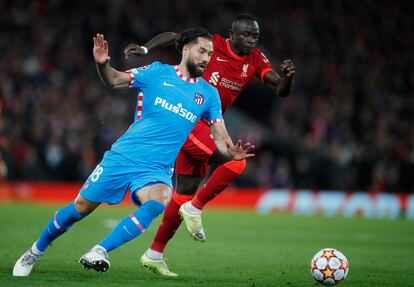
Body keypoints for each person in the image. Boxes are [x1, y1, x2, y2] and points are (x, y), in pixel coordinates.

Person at [12, 28, 254, 277]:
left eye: (210, 54)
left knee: (160, 199)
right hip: (123, 157)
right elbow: (114, 80)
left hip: (156, 169)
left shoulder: (208, 94)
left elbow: (221, 137)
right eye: (201, 51)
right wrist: (102, 65)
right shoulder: (157, 72)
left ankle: (99, 251)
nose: (206, 58)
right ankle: (35, 250)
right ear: (186, 49)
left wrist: (230, 153)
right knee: (79, 209)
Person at [123, 14, 295, 276]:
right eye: (246, 35)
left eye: (255, 36)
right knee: (236, 160)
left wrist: (288, 78)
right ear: (232, 34)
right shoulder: (211, 45)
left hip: (211, 126)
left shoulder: (255, 59)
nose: (251, 40)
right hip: (188, 120)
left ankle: (154, 253)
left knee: (182, 195)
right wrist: (145, 48)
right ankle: (196, 207)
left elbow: (280, 89)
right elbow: (173, 36)